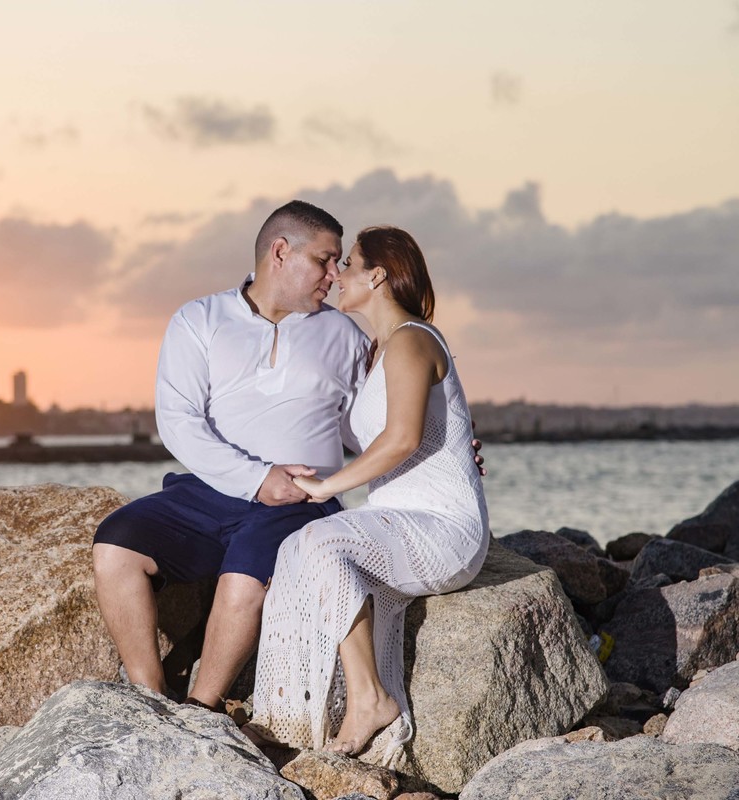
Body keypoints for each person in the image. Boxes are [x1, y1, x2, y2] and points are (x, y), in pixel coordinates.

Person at [92, 200, 366, 709]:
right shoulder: (199, 319)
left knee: (243, 581)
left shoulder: (345, 335)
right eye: (326, 260)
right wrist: (257, 479)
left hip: (303, 503)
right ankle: (149, 698)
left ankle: (201, 712)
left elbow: (368, 432)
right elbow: (178, 423)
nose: (335, 274)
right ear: (280, 252)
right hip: (209, 493)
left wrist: (443, 447)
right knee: (115, 546)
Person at [245, 226, 490, 766]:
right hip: (401, 518)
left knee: (321, 543)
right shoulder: (379, 349)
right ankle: (306, 707)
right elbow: (392, 432)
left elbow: (400, 439)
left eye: (348, 265)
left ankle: (370, 700)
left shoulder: (412, 338)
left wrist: (325, 489)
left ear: (377, 275)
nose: (335, 276)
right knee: (302, 549)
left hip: (443, 527)